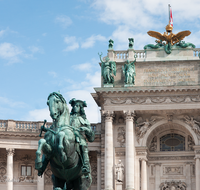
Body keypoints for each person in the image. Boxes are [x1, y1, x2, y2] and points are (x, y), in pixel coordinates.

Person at [69, 98, 95, 174]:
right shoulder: (67, 118)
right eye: (74, 106)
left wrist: (85, 129)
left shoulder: (84, 120)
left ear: (81, 108)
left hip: (80, 138)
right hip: (69, 137)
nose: (75, 107)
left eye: (77, 106)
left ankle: (86, 166)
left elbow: (91, 137)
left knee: (83, 146)